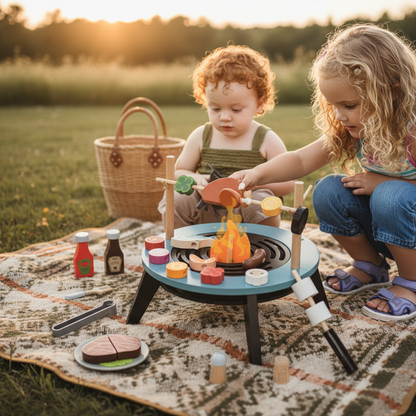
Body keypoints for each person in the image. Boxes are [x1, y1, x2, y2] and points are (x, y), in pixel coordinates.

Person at [230, 24, 416, 322]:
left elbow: (391, 193)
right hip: (390, 229)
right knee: (328, 189)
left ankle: (410, 282)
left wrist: (383, 181)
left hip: (408, 225)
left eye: (350, 105)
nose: (340, 115)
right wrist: (256, 175)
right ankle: (370, 265)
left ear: (390, 92)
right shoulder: (357, 128)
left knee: (389, 194)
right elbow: (302, 160)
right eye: (334, 105)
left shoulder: (411, 131)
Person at [158, 45, 294, 228]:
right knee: (176, 198)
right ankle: (182, 244)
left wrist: (254, 186)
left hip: (246, 212)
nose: (224, 117)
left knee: (262, 202)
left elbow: (288, 183)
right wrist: (194, 178)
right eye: (215, 108)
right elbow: (178, 172)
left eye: (236, 109)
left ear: (259, 104)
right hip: (206, 211)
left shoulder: (265, 139)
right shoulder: (201, 136)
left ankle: (262, 249)